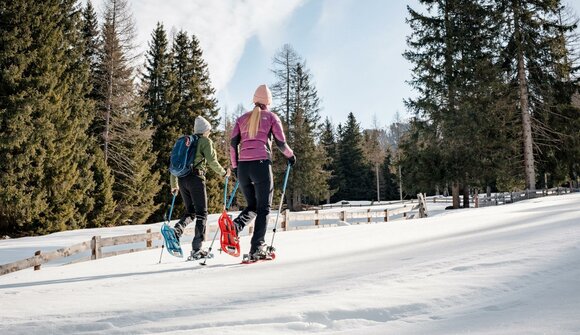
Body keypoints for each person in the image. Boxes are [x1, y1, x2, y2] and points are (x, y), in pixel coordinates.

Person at [230, 84, 296, 260]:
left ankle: (234, 228)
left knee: (252, 206)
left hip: (243, 168)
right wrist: (290, 156)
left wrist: (235, 167)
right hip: (261, 166)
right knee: (264, 208)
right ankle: (257, 246)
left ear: (254, 100)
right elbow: (281, 144)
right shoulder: (271, 117)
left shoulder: (241, 119)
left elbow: (232, 144)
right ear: (268, 102)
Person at [171, 116, 230, 259]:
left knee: (190, 212)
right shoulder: (205, 141)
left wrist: (174, 185)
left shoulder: (185, 142)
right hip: (196, 179)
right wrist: (224, 173)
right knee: (202, 213)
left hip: (182, 178)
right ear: (205, 130)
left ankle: (177, 230)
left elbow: (174, 164)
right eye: (209, 130)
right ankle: (197, 249)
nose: (209, 133)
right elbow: (212, 161)